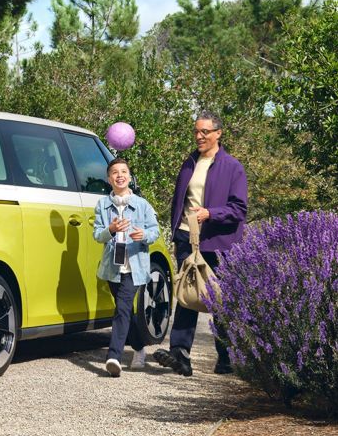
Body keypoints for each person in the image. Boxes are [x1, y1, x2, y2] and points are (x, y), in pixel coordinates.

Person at [153, 111, 248, 376]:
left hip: (218, 242)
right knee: (186, 296)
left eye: (204, 132)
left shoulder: (233, 167)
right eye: (196, 131)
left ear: (218, 133)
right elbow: (180, 203)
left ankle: (226, 357)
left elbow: (239, 209)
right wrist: (176, 235)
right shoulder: (189, 164)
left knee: (220, 301)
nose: (199, 136)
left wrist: (211, 214)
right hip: (187, 238)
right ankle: (179, 355)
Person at [93, 158, 160, 377]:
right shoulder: (103, 205)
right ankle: (139, 349)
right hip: (113, 267)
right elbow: (97, 235)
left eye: (123, 171)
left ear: (129, 176)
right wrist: (111, 229)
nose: (119, 175)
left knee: (122, 308)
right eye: (114, 172)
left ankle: (114, 356)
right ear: (109, 178)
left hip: (135, 266)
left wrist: (144, 236)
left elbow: (154, 231)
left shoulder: (142, 205)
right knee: (126, 312)